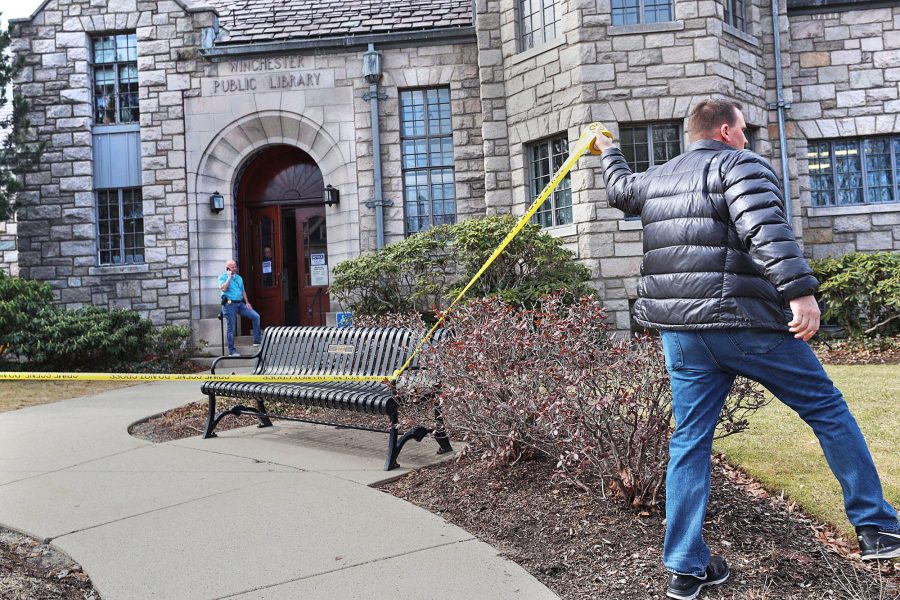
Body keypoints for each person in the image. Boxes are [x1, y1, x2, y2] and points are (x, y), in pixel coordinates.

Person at [591, 99, 900, 600]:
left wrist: (608, 150)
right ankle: (876, 526)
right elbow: (764, 227)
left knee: (689, 440)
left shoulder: (658, 177)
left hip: (682, 335)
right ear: (728, 130)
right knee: (827, 409)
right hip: (742, 323)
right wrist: (800, 291)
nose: (749, 140)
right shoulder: (740, 164)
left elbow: (620, 191)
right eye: (745, 131)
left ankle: (686, 568)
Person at [218, 259, 262, 356]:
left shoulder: (239, 278)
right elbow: (224, 288)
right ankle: (232, 351)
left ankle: (257, 341)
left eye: (235, 266)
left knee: (256, 316)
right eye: (233, 267)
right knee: (231, 328)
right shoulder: (222, 277)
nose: (235, 268)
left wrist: (247, 302)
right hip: (229, 305)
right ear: (228, 268)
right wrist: (229, 277)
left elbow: (243, 291)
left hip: (240, 303)